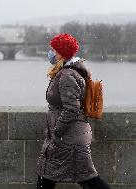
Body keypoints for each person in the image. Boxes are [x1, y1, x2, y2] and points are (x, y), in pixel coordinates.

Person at [36, 33, 111, 189]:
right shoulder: (67, 72)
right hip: (69, 137)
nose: (50, 53)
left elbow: (72, 108)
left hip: (68, 139)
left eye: (53, 50)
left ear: (61, 53)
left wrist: (57, 131)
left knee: (87, 180)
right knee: (84, 179)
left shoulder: (66, 75)